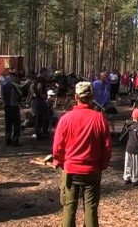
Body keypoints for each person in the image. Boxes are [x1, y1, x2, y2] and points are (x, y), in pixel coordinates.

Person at [53, 81, 112, 227]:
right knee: (91, 208)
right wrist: (102, 165)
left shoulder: (65, 119)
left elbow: (58, 147)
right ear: (91, 97)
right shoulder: (99, 118)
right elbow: (107, 146)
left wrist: (59, 162)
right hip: (92, 170)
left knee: (69, 208)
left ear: (76, 97)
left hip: (71, 170)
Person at [122, 107, 138, 185]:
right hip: (137, 149)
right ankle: (134, 178)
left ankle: (126, 177)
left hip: (128, 147)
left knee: (128, 163)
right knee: (135, 165)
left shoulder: (128, 124)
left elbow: (134, 125)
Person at [1, 68, 22, 146]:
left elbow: (2, 94)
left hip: (7, 105)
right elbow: (19, 94)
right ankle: (15, 140)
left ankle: (8, 139)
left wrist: (4, 102)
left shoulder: (4, 82)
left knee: (8, 124)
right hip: (14, 105)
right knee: (16, 124)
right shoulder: (14, 82)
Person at [30, 68, 50, 140]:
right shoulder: (41, 80)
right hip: (40, 101)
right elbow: (39, 87)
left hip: (37, 100)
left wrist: (34, 94)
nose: (47, 74)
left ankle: (39, 133)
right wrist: (40, 95)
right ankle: (42, 134)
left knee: (38, 117)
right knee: (43, 117)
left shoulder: (36, 79)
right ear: (43, 72)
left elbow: (32, 87)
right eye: (47, 72)